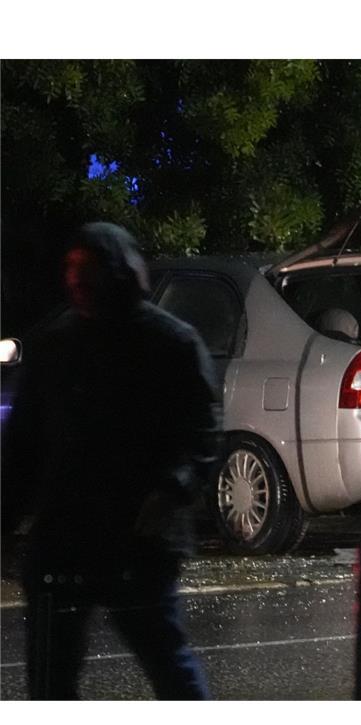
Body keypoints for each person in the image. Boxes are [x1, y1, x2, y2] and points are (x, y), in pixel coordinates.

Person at [1, 222, 221, 699]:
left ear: (117, 272)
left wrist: (172, 491)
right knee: (50, 677)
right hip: (65, 537)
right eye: (71, 267)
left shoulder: (170, 343)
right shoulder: (55, 343)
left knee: (167, 664)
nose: (77, 279)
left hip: (136, 539)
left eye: (88, 268)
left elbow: (200, 432)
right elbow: (25, 444)